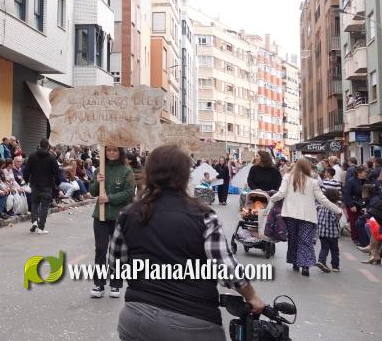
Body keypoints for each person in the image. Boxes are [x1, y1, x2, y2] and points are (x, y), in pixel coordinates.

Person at [111, 145, 265, 341]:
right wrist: (251, 296)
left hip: (136, 318)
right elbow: (225, 268)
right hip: (193, 322)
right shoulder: (203, 215)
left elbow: (115, 265)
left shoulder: (128, 214)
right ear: (185, 175)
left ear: (148, 173)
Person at [270, 158, 344, 276]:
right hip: (308, 216)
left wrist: (271, 200)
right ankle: (305, 266)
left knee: (293, 239)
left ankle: (295, 262)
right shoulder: (313, 182)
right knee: (306, 240)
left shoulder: (287, 178)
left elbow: (281, 193)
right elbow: (322, 199)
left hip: (290, 214)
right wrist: (338, 209)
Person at [89, 146, 135, 299]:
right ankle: (99, 284)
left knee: (116, 252)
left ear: (120, 152)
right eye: (109, 150)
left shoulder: (126, 171)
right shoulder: (100, 169)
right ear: (104, 152)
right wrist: (97, 181)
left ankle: (115, 284)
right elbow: (93, 192)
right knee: (100, 250)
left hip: (119, 217)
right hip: (100, 217)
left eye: (115, 150)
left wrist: (110, 198)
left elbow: (129, 193)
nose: (112, 153)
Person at [23, 139, 61, 234]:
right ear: (48, 146)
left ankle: (34, 221)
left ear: (39, 145)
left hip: (35, 184)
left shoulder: (32, 156)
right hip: (47, 185)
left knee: (35, 203)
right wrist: (57, 183)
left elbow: (26, 170)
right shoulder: (52, 158)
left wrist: (27, 180)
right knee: (44, 207)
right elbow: (57, 173)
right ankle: (41, 227)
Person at [316, 188, 343, 273]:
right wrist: (339, 214)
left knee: (324, 248)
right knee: (334, 250)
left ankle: (322, 261)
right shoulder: (334, 208)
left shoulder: (320, 206)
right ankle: (335, 266)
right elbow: (335, 219)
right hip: (332, 233)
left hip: (322, 232)